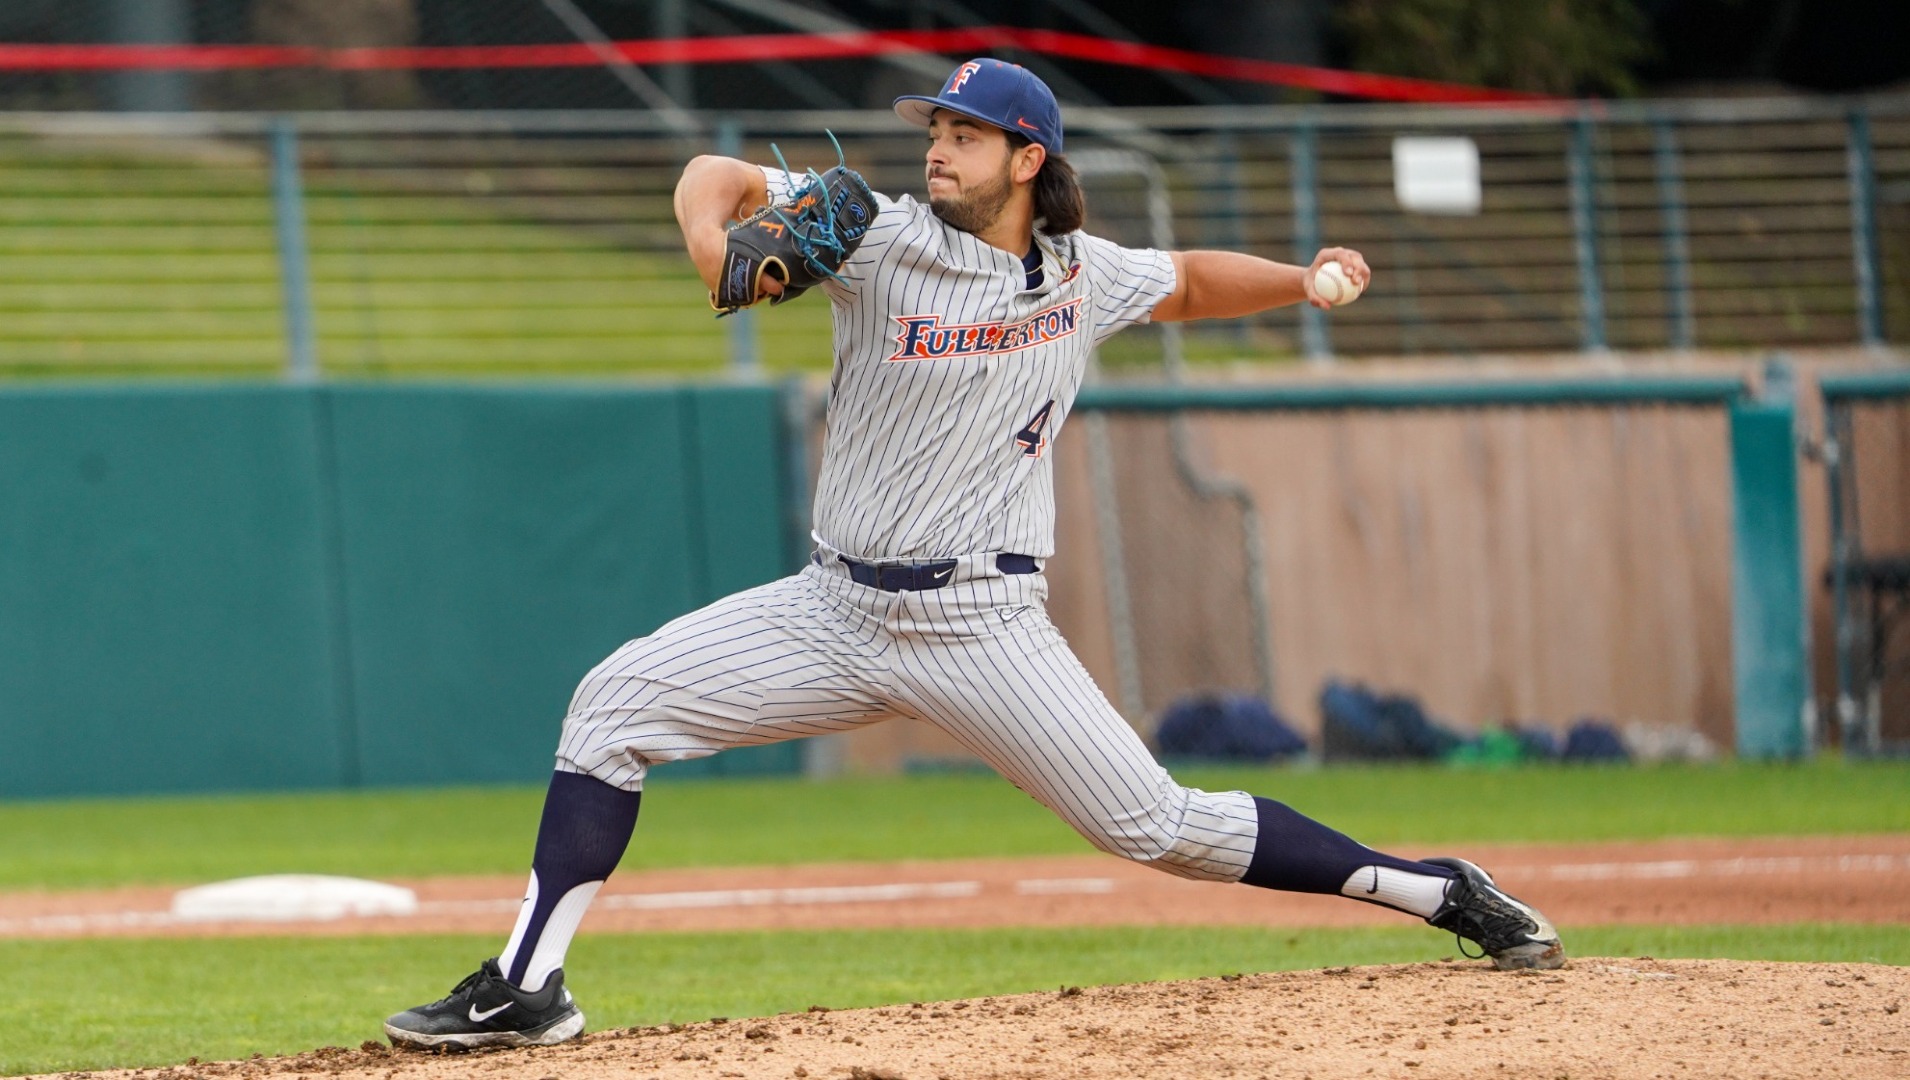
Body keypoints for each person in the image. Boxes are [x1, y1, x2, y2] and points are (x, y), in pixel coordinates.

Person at [383, 57, 1564, 1051]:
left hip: (983, 628)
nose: (936, 148)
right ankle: (528, 989)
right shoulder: (876, 233)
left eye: (965, 133)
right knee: (612, 705)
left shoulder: (1081, 273)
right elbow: (719, 172)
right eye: (934, 129)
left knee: (1159, 826)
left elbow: (1192, 279)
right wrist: (712, 233)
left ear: (1027, 159)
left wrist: (1301, 280)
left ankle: (1431, 888)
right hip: (831, 613)